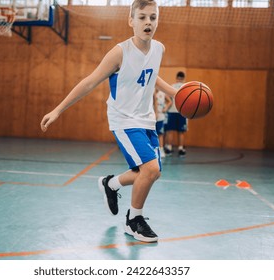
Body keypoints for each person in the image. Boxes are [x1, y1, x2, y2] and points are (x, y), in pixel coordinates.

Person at [40, 0, 177, 243]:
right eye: (143, 17)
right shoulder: (120, 52)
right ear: (131, 21)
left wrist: (177, 93)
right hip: (123, 119)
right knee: (150, 169)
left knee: (150, 173)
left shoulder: (159, 49)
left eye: (153, 18)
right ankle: (134, 220)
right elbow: (90, 82)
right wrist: (58, 110)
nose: (148, 22)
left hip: (146, 119)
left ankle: (110, 183)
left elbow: (152, 76)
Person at [164, 71, 188, 157]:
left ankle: (169, 148)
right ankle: (181, 149)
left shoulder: (173, 86)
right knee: (181, 131)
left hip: (172, 111)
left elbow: (166, 95)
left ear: (177, 78)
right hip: (182, 112)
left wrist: (170, 101)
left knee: (170, 131)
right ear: (183, 78)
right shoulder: (186, 87)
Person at [154, 89, 172, 158]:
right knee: (151, 134)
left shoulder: (162, 93)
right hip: (151, 117)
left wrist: (166, 108)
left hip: (160, 116)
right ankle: (153, 150)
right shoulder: (150, 91)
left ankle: (161, 149)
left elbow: (170, 101)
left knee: (160, 134)